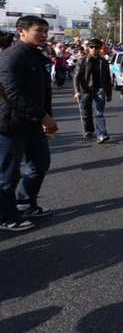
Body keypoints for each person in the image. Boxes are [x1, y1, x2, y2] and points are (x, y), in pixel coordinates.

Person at [0, 16, 58, 232]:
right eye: (38, 30)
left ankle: (25, 202)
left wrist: (44, 119)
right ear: (21, 31)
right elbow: (12, 94)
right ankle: (6, 217)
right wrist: (43, 116)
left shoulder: (35, 55)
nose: (44, 34)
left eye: (45, 30)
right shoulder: (12, 57)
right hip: (11, 126)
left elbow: (42, 92)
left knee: (40, 164)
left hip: (33, 124)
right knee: (7, 175)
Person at [73, 38, 113, 143]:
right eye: (91, 47)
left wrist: (109, 94)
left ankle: (101, 135)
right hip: (85, 90)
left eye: (96, 47)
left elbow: (107, 79)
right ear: (88, 48)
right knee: (86, 112)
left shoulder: (103, 62)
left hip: (99, 90)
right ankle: (89, 130)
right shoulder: (82, 61)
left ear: (100, 48)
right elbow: (76, 77)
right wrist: (77, 91)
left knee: (99, 113)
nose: (94, 49)